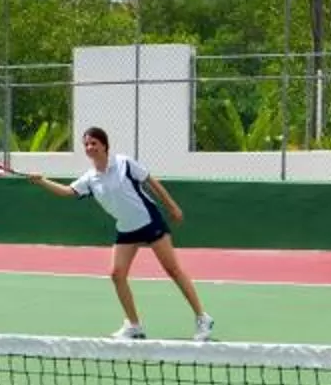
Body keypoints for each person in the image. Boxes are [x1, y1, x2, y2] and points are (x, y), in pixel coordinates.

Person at [13, 125, 214, 341]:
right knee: (117, 275)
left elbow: (151, 182)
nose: (90, 147)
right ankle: (134, 325)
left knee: (173, 270)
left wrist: (172, 206)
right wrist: (41, 180)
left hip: (148, 221)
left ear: (104, 146)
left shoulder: (124, 163)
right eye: (87, 144)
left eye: (94, 143)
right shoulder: (90, 178)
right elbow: (67, 192)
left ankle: (202, 318)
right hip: (126, 229)